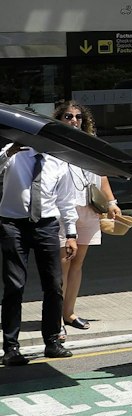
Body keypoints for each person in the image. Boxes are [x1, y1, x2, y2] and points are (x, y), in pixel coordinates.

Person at [1, 130, 83, 365]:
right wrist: (8, 153)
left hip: (46, 225)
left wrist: (71, 234)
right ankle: (11, 347)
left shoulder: (58, 161)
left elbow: (66, 200)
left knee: (54, 285)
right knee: (14, 286)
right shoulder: (13, 153)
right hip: (13, 224)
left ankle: (52, 341)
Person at [58, 102, 122, 333]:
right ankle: (55, 317)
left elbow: (101, 175)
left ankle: (69, 313)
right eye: (68, 116)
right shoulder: (54, 144)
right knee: (62, 264)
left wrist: (111, 202)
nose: (74, 120)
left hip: (90, 208)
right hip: (65, 209)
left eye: (78, 117)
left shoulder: (91, 143)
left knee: (77, 263)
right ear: (60, 119)